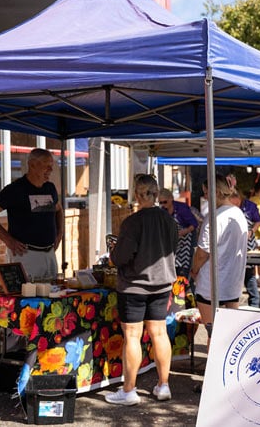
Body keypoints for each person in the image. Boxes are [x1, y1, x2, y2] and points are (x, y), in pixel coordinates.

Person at [105, 174, 178, 406]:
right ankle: (164, 385)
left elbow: (120, 257)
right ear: (156, 194)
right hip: (162, 283)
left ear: (137, 194)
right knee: (159, 333)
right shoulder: (169, 220)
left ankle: (129, 390)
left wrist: (113, 253)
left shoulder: (132, 222)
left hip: (134, 286)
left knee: (132, 336)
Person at [0, 148, 63, 281]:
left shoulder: (50, 188)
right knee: (27, 299)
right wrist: (8, 240)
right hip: (26, 255)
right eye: (46, 165)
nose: (50, 170)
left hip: (49, 254)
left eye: (51, 166)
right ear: (32, 165)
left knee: (52, 296)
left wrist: (59, 234)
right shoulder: (15, 189)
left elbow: (58, 210)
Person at [190, 174, 248, 347]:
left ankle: (212, 371)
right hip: (233, 282)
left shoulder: (214, 217)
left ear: (215, 192)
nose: (205, 196)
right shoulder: (239, 214)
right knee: (230, 333)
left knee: (213, 333)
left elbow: (202, 253)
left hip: (211, 283)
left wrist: (194, 270)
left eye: (206, 192)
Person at [229, 187, 260, 307]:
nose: (235, 205)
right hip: (232, 245)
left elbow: (258, 221)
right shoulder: (228, 208)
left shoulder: (251, 206)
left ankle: (254, 304)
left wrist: (252, 231)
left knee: (249, 276)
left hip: (247, 244)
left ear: (239, 197)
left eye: (236, 202)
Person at [158, 188, 198, 277]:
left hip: (186, 241)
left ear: (171, 198)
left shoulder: (181, 208)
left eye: (165, 202)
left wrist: (185, 231)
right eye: (161, 203)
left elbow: (194, 224)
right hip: (174, 243)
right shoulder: (163, 211)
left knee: (184, 267)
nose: (163, 205)